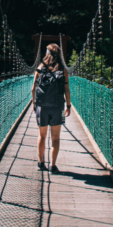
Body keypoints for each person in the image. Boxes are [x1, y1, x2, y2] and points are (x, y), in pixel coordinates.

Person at [31, 43, 71, 174]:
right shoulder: (62, 70)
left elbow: (33, 89)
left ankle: (40, 163)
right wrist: (68, 106)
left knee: (41, 136)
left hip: (41, 106)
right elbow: (66, 90)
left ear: (46, 53)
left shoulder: (40, 68)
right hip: (58, 107)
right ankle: (53, 166)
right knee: (55, 138)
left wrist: (34, 104)